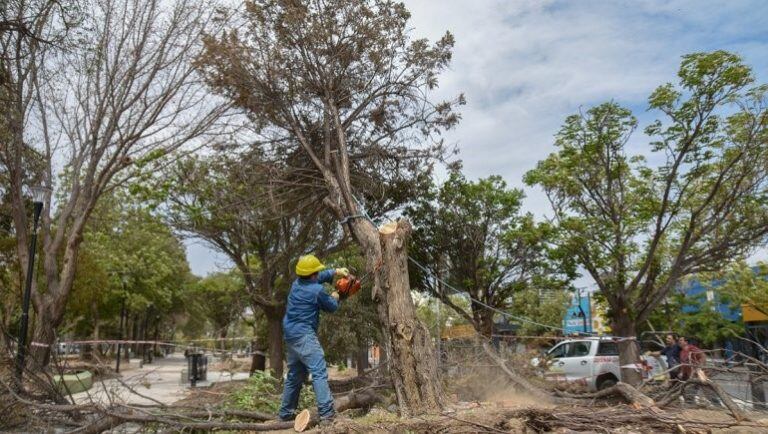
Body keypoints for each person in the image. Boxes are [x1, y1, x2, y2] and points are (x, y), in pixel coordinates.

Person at [277, 254, 351, 424]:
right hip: (304, 335)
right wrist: (337, 295)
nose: (319, 274)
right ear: (312, 275)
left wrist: (336, 271)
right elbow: (331, 307)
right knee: (319, 371)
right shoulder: (316, 291)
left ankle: (285, 414)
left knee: (295, 375)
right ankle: (327, 414)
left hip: (291, 334)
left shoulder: (297, 284)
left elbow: (319, 278)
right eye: (317, 272)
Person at [678, 336, 720, 406]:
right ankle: (691, 405)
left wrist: (699, 368)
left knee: (707, 390)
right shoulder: (682, 352)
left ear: (686, 342)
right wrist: (682, 372)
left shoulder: (691, 348)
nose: (679, 342)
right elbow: (683, 364)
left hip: (699, 373)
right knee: (690, 390)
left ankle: (717, 405)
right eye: (679, 340)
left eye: (681, 340)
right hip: (691, 375)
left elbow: (703, 356)